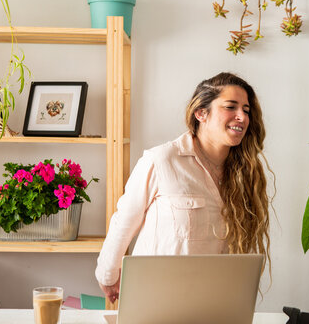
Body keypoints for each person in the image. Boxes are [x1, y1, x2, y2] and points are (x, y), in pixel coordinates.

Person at [95, 72, 272, 303]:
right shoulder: (162, 159)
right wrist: (109, 275)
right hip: (157, 299)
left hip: (213, 300)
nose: (242, 116)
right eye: (231, 107)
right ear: (201, 113)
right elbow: (124, 220)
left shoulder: (244, 173)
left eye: (246, 110)